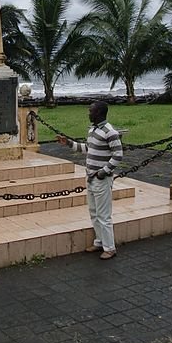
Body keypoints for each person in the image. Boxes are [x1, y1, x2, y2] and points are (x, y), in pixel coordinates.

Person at [57, 101, 123, 260]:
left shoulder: (110, 132)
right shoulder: (93, 130)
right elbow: (87, 148)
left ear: (99, 113)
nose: (89, 113)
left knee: (104, 215)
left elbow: (118, 155)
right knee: (94, 212)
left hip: (101, 178)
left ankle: (110, 248)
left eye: (91, 111)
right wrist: (69, 143)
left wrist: (104, 172)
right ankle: (99, 241)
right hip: (91, 177)